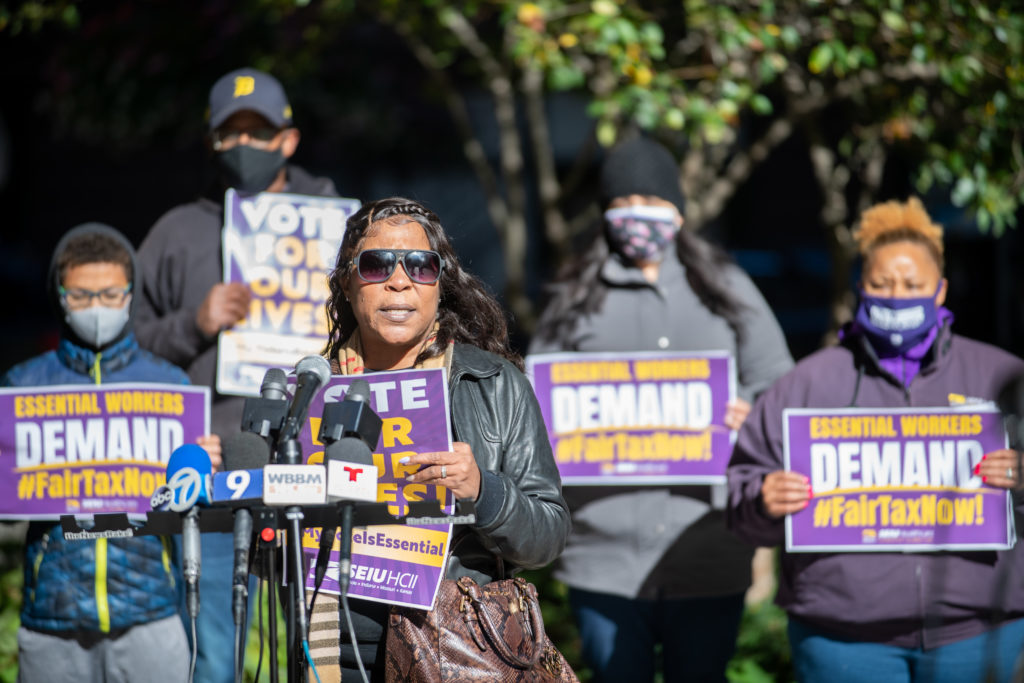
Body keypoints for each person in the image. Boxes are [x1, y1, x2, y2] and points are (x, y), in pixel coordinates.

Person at [529, 136, 794, 682]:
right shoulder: (575, 296)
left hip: (709, 549)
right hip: (601, 556)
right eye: (622, 205)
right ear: (604, 213)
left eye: (651, 203)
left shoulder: (726, 286)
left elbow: (780, 387)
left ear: (678, 210)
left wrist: (752, 416)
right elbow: (533, 406)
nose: (637, 217)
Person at [726, 197, 1024, 682]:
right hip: (842, 642)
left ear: (941, 291)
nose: (897, 297)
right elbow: (741, 505)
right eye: (882, 284)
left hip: (979, 635)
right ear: (861, 287)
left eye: (913, 285)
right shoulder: (806, 385)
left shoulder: (1003, 377)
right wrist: (763, 501)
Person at [307, 197, 571, 681]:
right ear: (347, 281)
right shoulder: (311, 391)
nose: (399, 280)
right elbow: (268, 556)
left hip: (452, 656)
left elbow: (548, 535)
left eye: (420, 265)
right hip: (334, 658)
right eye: (376, 264)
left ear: (439, 282)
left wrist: (482, 492)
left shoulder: (494, 384)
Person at [135, 67, 338, 683]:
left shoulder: (337, 226)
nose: (245, 145)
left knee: (318, 654)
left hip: (312, 473)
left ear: (289, 140)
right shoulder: (177, 232)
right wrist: (193, 324)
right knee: (215, 657)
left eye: (260, 131)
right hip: (215, 477)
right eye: (231, 133)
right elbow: (127, 349)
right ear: (212, 144)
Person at [2, 223, 217, 682]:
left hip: (151, 612)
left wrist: (203, 467)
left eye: (110, 294)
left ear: (132, 295)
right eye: (81, 295)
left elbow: (191, 501)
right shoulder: (22, 386)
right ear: (59, 296)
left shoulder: (170, 386)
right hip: (52, 623)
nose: (96, 307)